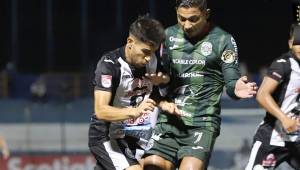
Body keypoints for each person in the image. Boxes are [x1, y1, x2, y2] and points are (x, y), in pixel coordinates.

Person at [142, 0, 258, 169]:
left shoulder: (223, 40)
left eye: (193, 19)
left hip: (202, 123)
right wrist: (160, 80)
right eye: (181, 18)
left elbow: (232, 82)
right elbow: (163, 78)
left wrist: (236, 88)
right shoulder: (168, 36)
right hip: (170, 120)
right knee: (152, 164)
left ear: (207, 14)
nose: (187, 25)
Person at [88, 15, 177, 170]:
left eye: (153, 52)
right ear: (130, 42)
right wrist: (134, 112)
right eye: (145, 51)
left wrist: (164, 103)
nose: (149, 58)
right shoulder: (109, 65)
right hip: (107, 136)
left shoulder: (152, 62)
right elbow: (101, 111)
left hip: (134, 135)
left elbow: (155, 93)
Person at [245, 24, 300, 170]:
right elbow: (262, 95)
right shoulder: (283, 65)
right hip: (273, 138)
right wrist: (284, 119)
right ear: (290, 43)